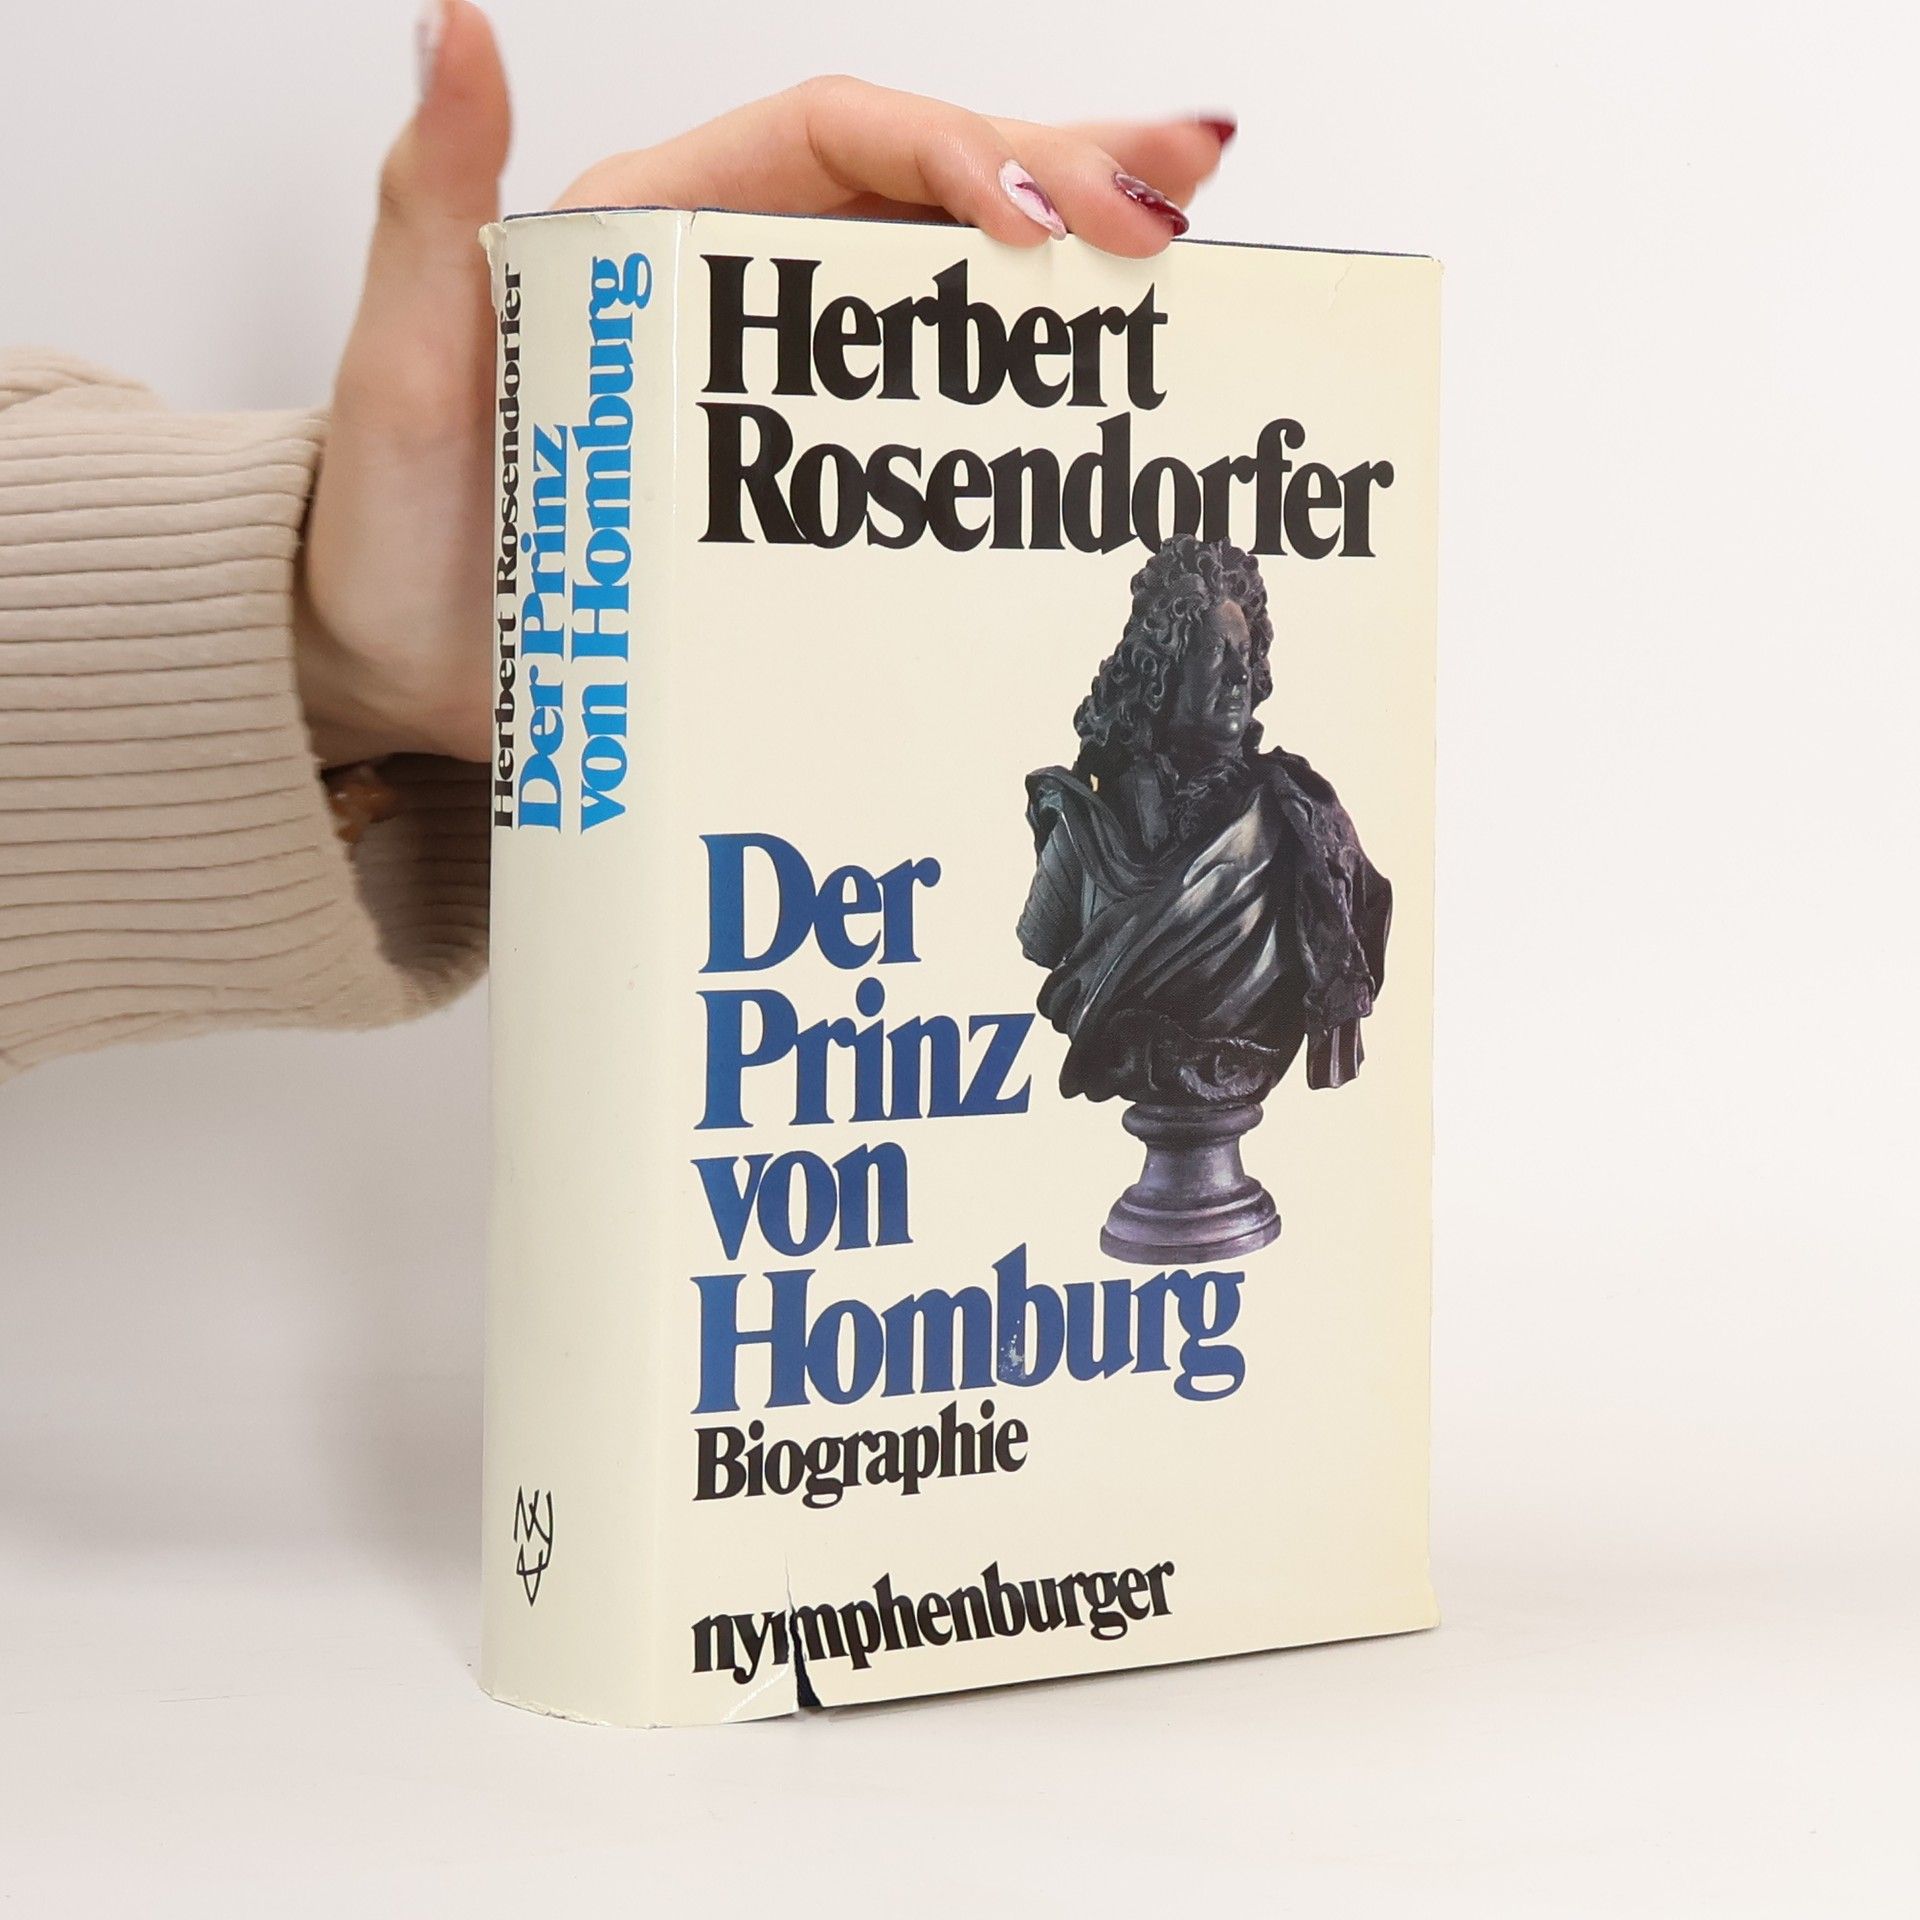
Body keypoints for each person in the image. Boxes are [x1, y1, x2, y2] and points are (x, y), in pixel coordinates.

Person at [0, 0, 1232, 1084]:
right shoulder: (1080, 822)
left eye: (1240, 653)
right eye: (1204, 646)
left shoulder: (1283, 820)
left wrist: (321, 640)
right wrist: (296, 636)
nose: (1229, 678)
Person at [1017, 535, 1391, 1107]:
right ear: (1164, 670)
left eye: (1246, 653)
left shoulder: (1298, 821)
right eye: (1217, 652)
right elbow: (1045, 943)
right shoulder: (1086, 826)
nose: (1240, 674)